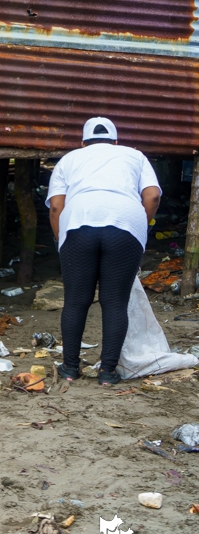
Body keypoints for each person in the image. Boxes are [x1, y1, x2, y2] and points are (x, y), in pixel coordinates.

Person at [47, 117, 161, 386]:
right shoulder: (134, 156)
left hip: (78, 224)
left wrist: (61, 239)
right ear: (116, 141)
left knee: (76, 301)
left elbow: (55, 207)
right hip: (125, 226)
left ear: (83, 142)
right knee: (115, 301)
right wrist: (140, 224)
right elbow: (153, 196)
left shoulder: (70, 159)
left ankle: (71, 369)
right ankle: (108, 373)